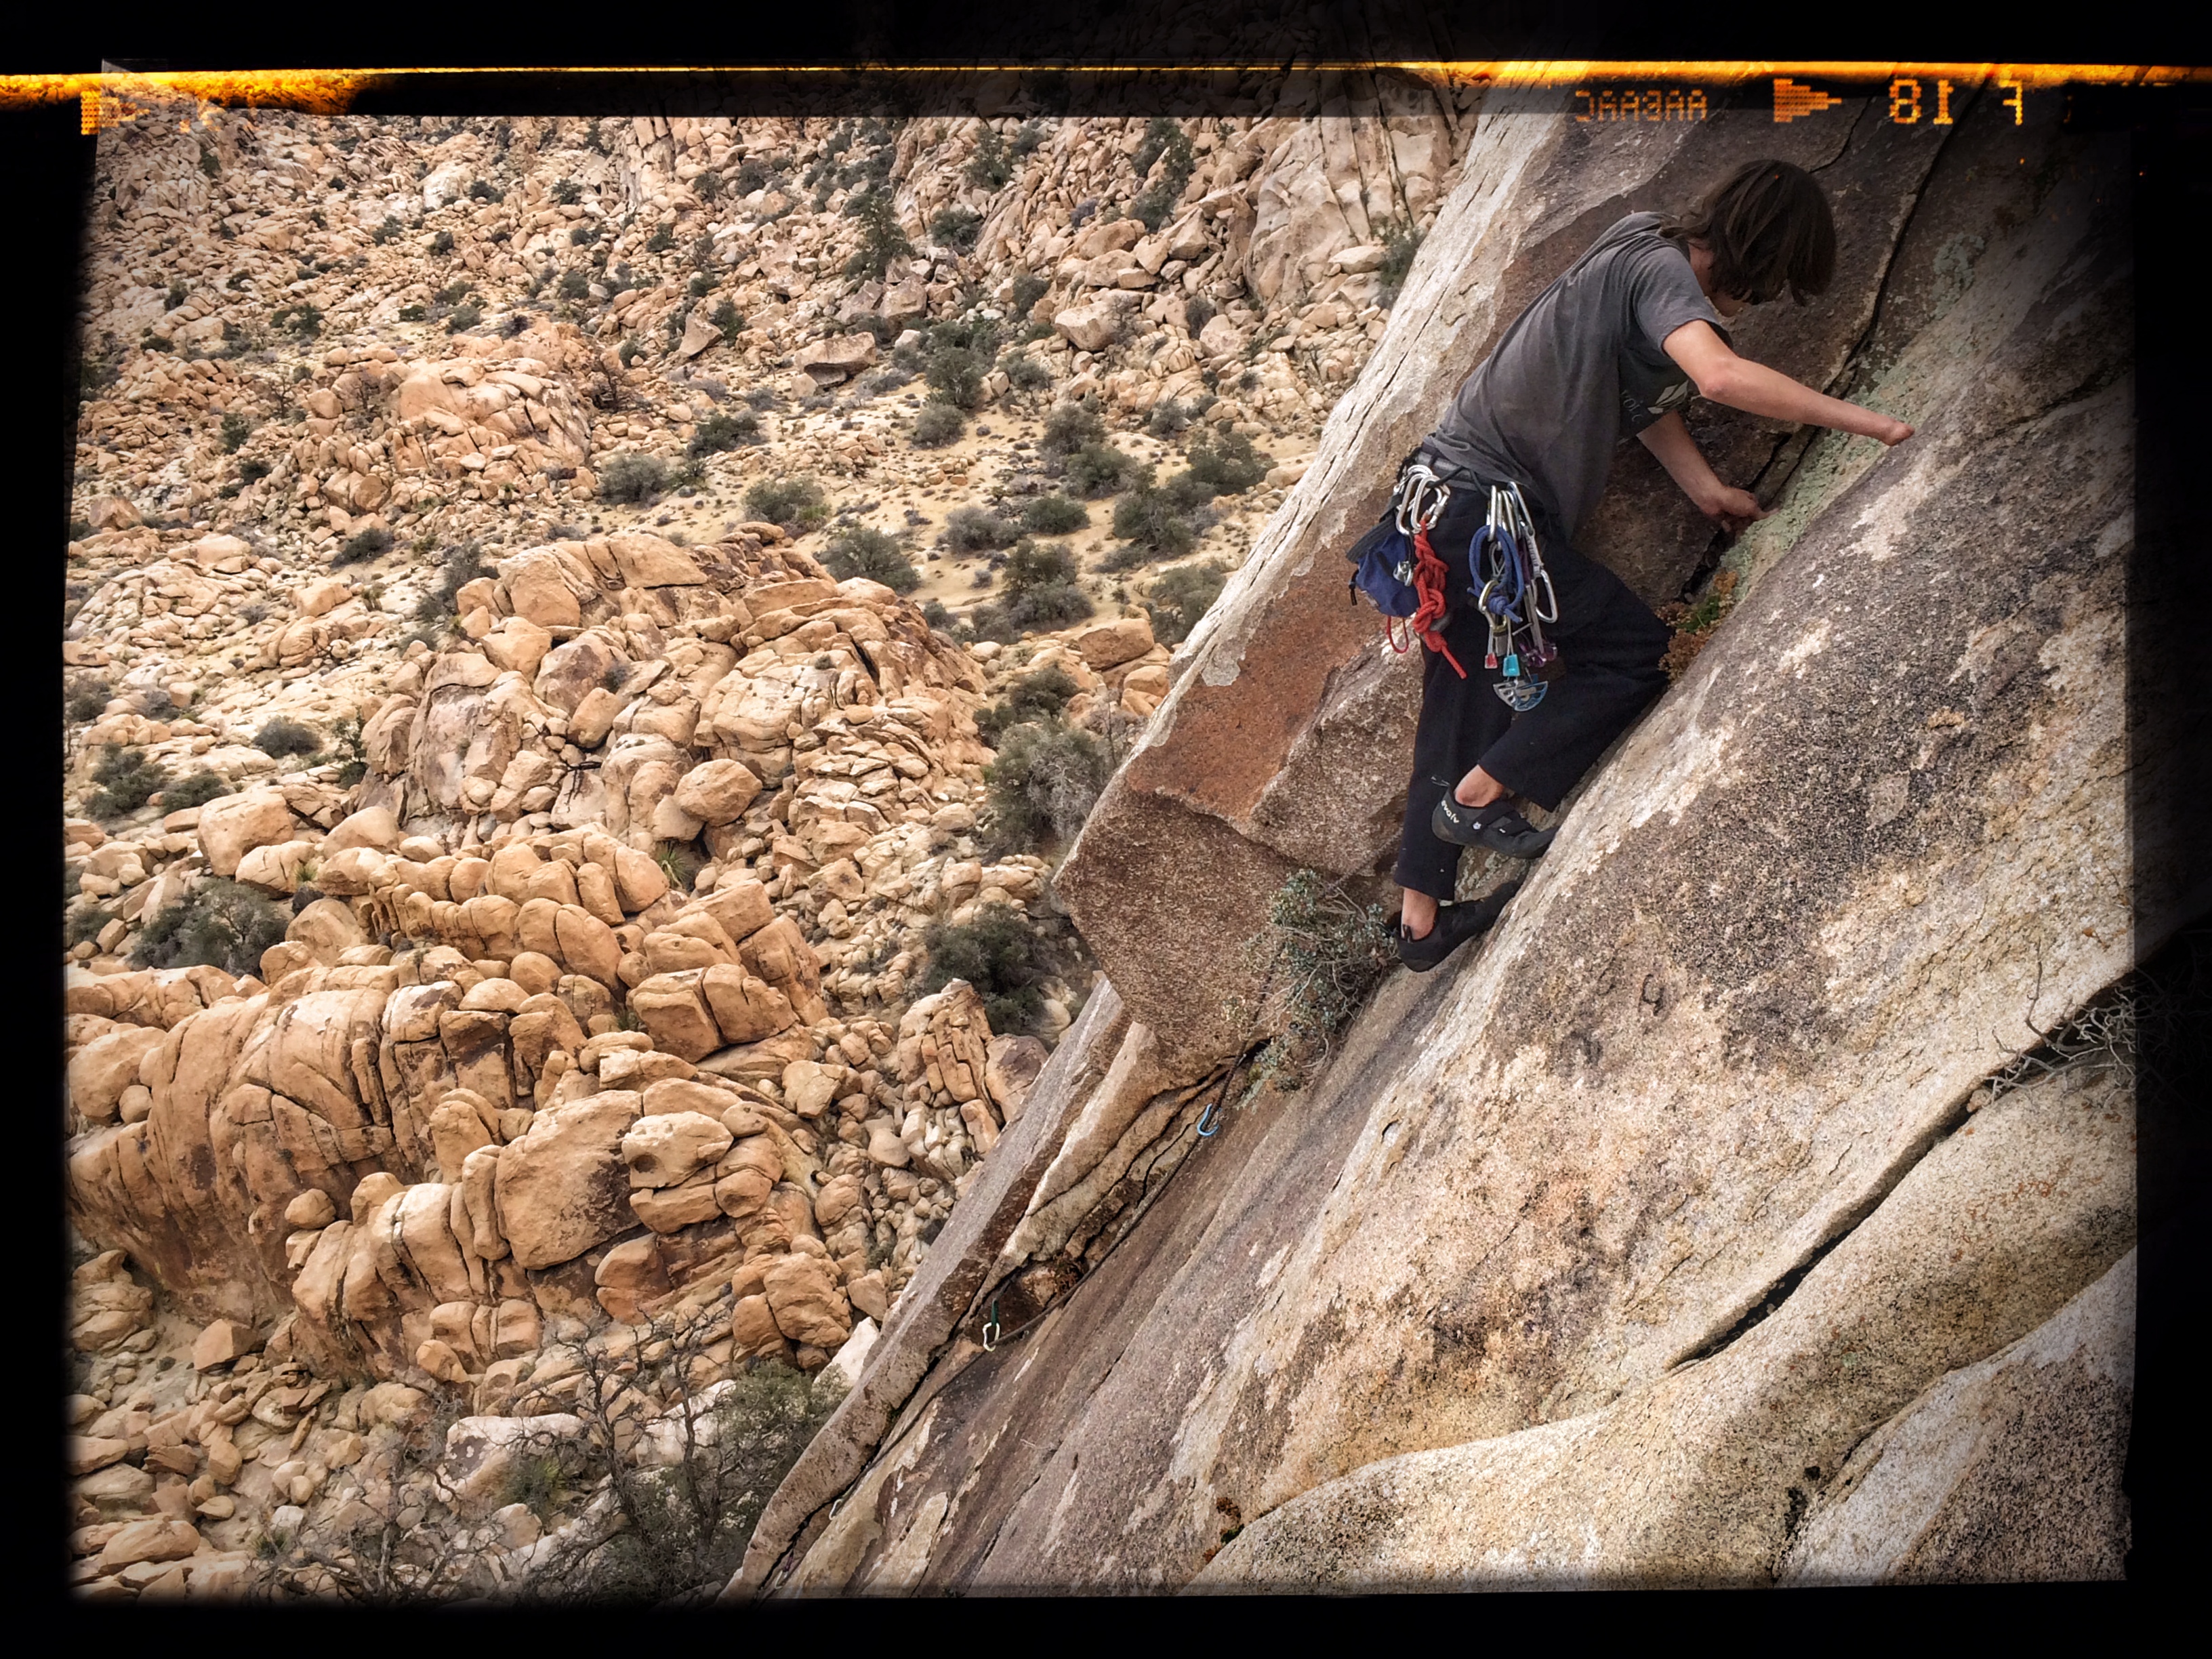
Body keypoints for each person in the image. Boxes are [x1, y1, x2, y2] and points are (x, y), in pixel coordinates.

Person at [1389, 158, 1917, 972]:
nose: (1755, 305)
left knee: (1461, 691)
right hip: (1485, 511)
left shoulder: (1631, 243)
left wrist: (1707, 490)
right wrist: (1875, 426)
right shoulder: (1660, 266)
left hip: (1437, 504)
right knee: (1634, 653)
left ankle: (1419, 920)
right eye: (1770, 285)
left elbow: (1642, 401)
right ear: (1757, 254)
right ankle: (1480, 797)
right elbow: (1719, 375)